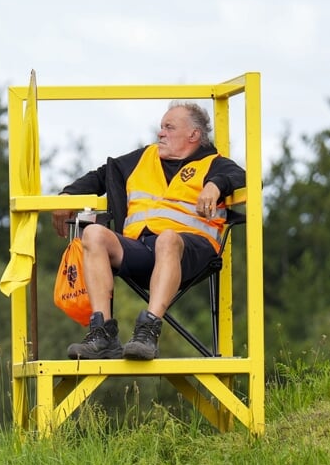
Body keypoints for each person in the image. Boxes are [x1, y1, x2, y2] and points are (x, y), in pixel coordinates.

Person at [51, 101, 245, 360]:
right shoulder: (144, 158)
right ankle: (103, 335)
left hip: (192, 254)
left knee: (167, 239)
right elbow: (102, 175)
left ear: (193, 135)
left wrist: (215, 185)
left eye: (169, 127)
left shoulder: (215, 164)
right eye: (161, 127)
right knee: (93, 234)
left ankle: (148, 331)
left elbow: (246, 179)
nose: (160, 133)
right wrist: (66, 197)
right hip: (141, 250)